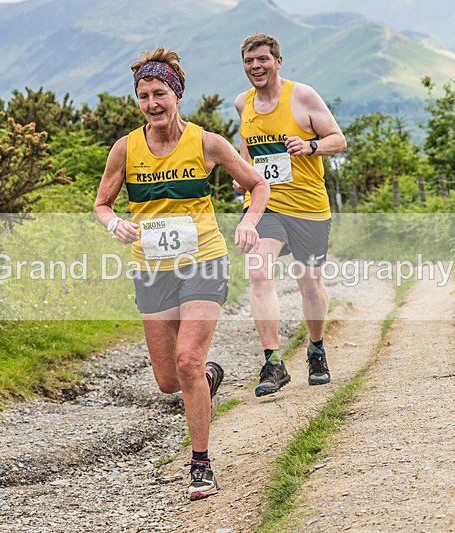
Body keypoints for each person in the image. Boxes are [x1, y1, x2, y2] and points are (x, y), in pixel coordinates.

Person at [94, 46, 269, 500]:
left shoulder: (206, 142)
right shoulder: (125, 148)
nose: (152, 104)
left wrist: (248, 221)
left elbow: (258, 185)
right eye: (143, 96)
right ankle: (208, 381)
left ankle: (201, 465)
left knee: (187, 358)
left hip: (203, 261)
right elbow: (101, 204)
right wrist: (115, 223)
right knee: (171, 380)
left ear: (177, 95)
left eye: (159, 94)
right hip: (151, 269)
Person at [233, 33, 347, 397]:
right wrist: (244, 177)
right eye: (250, 61)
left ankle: (316, 349)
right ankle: (273, 362)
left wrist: (310, 146)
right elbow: (247, 153)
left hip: (309, 207)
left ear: (278, 61)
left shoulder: (302, 96)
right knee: (258, 271)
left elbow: (338, 140)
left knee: (309, 283)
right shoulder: (242, 103)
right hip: (268, 206)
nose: (256, 67)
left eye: (263, 59)